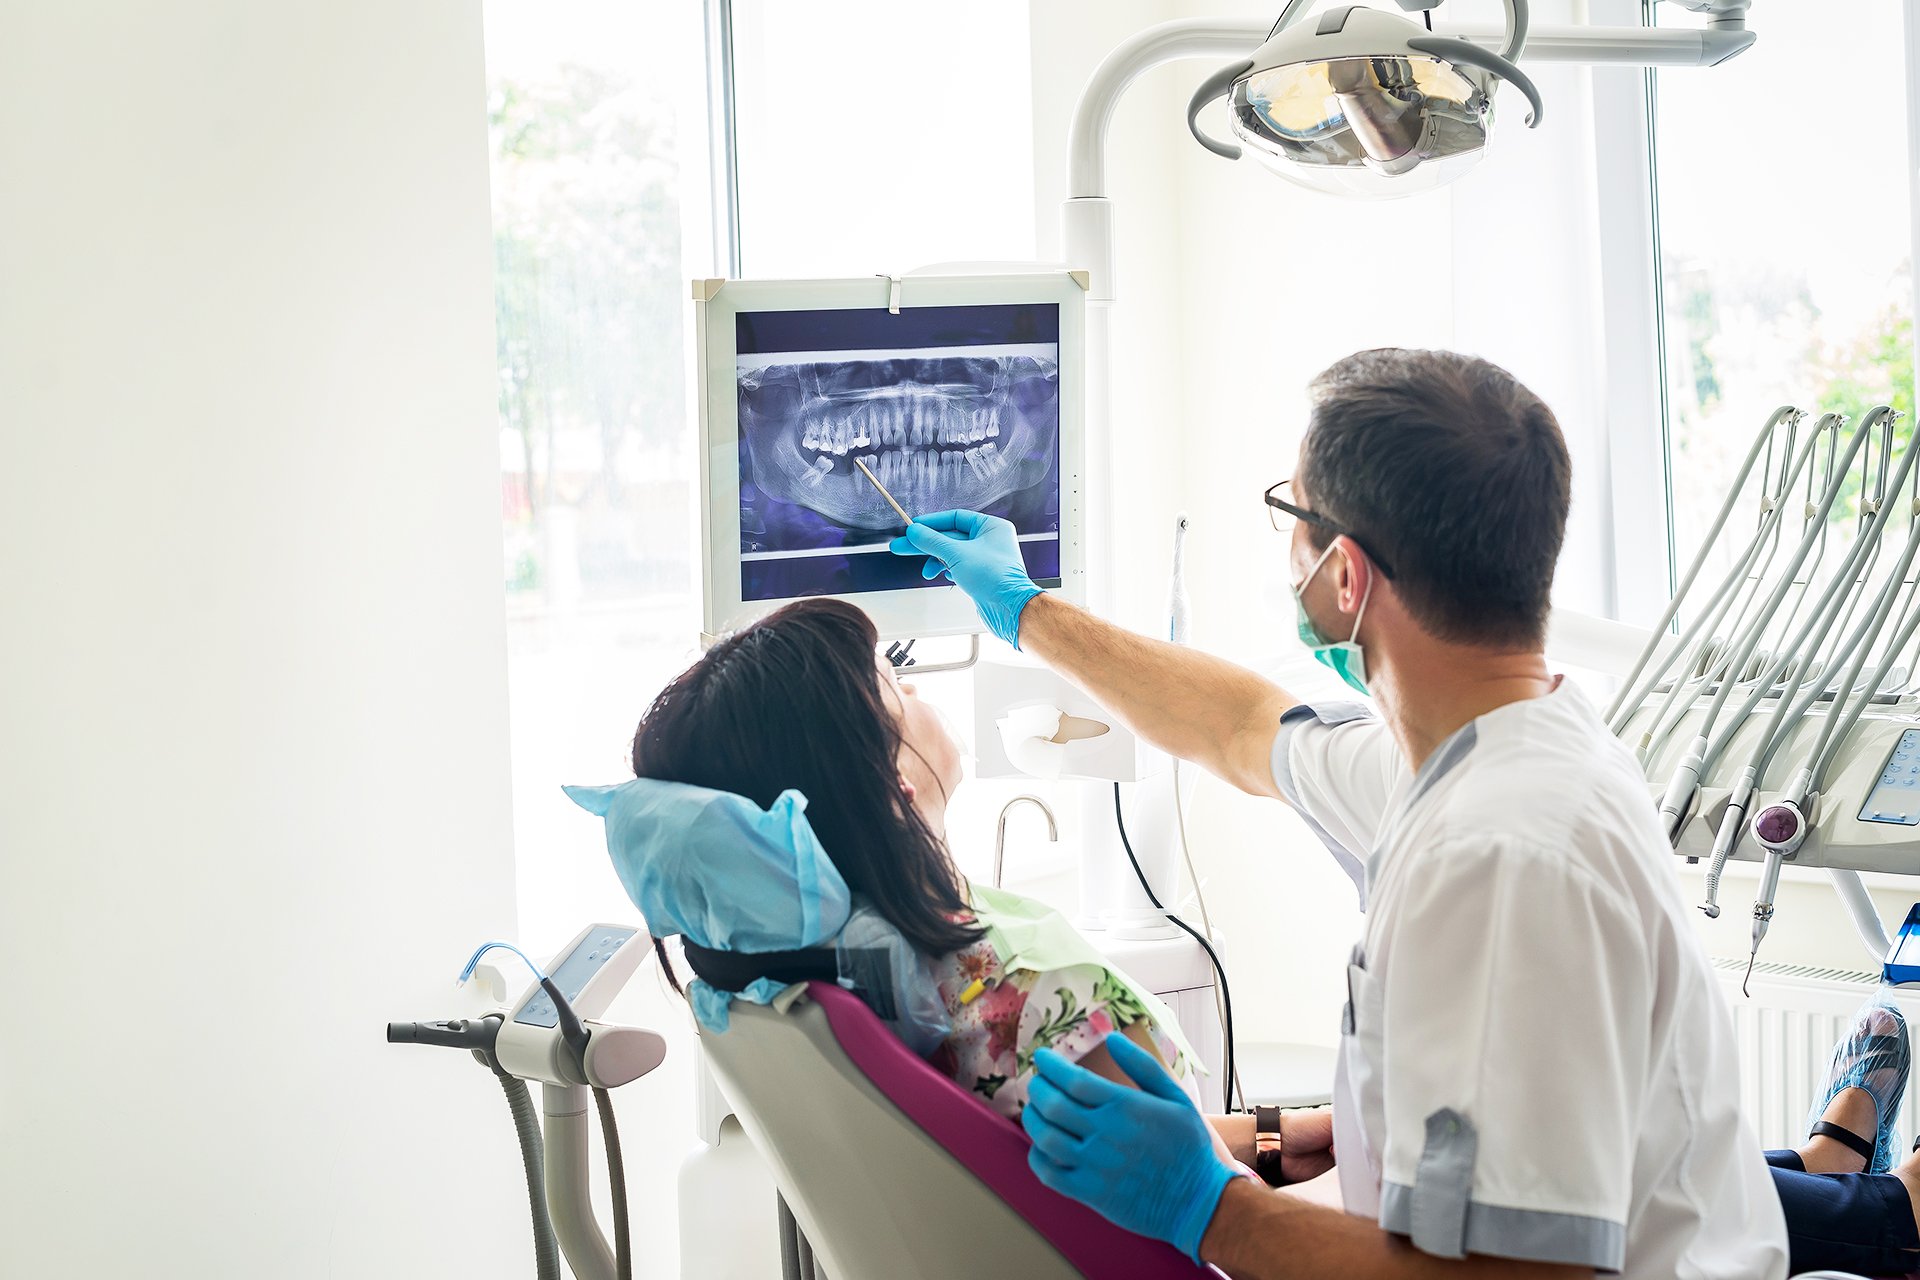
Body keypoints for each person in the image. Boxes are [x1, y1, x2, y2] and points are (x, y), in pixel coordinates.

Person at [889, 348, 1789, 1278]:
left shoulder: (1503, 853)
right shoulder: (1481, 750)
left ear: (1347, 577)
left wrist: (1210, 1207)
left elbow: (1532, 1276)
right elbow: (1237, 725)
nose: (1286, 547)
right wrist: (1025, 610)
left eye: (1292, 514)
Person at [596, 595, 1333, 1181]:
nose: (915, 688)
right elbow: (1208, 1217)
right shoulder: (1034, 1001)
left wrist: (1271, 1139)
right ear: (898, 786)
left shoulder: (845, 988)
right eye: (893, 685)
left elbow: (1093, 1147)